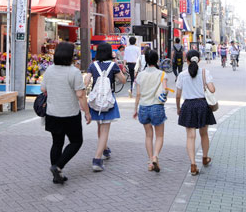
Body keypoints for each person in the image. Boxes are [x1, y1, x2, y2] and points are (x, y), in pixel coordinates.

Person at [41, 42, 91, 184]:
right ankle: (58, 167)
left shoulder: (49, 70)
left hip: (52, 113)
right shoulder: (73, 72)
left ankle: (56, 175)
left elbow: (43, 89)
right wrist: (87, 113)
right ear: (70, 56)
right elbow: (81, 95)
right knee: (76, 141)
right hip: (70, 114)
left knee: (57, 143)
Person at [84, 42, 126, 172]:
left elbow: (86, 82)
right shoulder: (113, 66)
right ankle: (97, 159)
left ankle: (105, 149)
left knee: (99, 126)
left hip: (96, 100)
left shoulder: (93, 65)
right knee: (105, 129)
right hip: (108, 100)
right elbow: (123, 80)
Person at [176, 49, 216, 176]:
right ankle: (205, 158)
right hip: (203, 105)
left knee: (190, 136)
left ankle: (193, 164)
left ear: (186, 60)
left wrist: (178, 108)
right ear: (199, 60)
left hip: (188, 106)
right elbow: (212, 89)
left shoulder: (182, 75)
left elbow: (178, 95)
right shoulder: (205, 72)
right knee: (204, 134)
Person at [133, 50, 168, 172]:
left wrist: (135, 109)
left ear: (146, 61)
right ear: (157, 60)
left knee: (148, 135)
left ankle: (150, 161)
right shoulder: (162, 74)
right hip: (157, 107)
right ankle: (155, 156)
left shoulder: (140, 75)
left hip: (143, 107)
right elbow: (164, 90)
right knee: (159, 135)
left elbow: (138, 94)